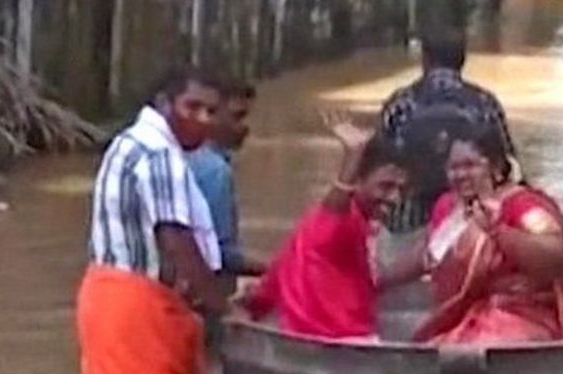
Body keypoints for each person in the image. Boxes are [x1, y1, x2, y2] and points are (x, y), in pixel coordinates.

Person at [76, 66, 229, 374]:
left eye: (211, 111)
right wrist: (223, 308)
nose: (203, 120)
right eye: (192, 107)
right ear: (164, 103)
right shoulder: (160, 154)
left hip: (107, 298)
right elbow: (176, 239)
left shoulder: (130, 141)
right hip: (136, 308)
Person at [385, 124, 563, 344]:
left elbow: (553, 257)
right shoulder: (448, 206)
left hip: (522, 318)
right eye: (453, 168)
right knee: (438, 347)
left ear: (496, 166)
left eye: (470, 165)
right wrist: (376, 280)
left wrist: (497, 231)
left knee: (466, 349)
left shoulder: (522, 205)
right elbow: (428, 254)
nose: (460, 175)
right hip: (458, 317)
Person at [237, 113, 409, 340]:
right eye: (385, 187)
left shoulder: (353, 226)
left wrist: (253, 300)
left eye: (400, 189)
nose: (395, 198)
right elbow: (334, 208)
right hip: (345, 343)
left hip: (335, 343)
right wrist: (353, 157)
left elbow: (277, 275)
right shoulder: (335, 222)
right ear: (357, 181)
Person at [379, 27, 517, 232]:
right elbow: (507, 165)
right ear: (463, 60)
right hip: (469, 216)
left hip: (409, 218)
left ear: (425, 59)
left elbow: (378, 163)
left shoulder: (400, 103)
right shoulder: (485, 102)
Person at [187, 79, 267, 280]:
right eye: (238, 117)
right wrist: (277, 269)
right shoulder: (215, 171)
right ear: (212, 115)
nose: (246, 128)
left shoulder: (181, 156)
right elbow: (220, 254)